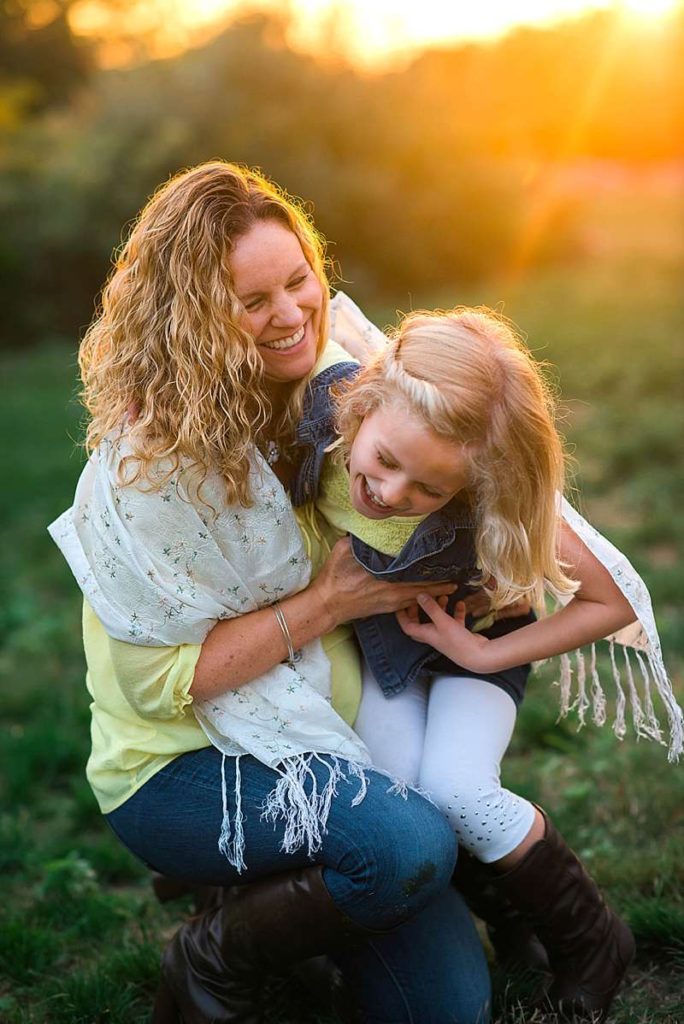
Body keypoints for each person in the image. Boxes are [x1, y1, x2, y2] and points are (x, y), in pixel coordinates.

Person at [48, 161, 493, 1024]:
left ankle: (281, 882)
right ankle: (212, 958)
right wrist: (326, 605)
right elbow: (160, 685)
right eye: (252, 303)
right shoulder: (146, 471)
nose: (291, 315)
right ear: (193, 323)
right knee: (406, 845)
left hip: (324, 723)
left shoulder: (335, 386)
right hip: (182, 763)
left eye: (300, 280)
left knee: (445, 1011)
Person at [284, 299, 682, 1021]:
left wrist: (477, 646)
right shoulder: (324, 406)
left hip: (477, 653)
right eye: (385, 462)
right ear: (364, 403)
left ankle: (592, 937)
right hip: (383, 652)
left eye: (431, 489)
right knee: (403, 799)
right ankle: (512, 919)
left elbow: (613, 601)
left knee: (458, 788)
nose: (394, 493)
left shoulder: (496, 485)